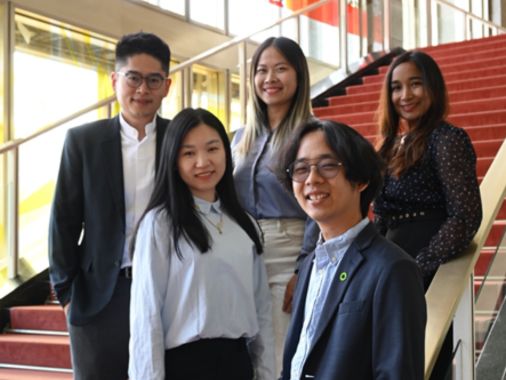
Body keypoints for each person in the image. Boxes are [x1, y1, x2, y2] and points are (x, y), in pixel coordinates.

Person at [48, 32, 172, 380]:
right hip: (101, 293)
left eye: (153, 80)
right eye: (133, 78)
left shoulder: (180, 139)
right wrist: (66, 293)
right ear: (116, 80)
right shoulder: (83, 141)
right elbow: (63, 221)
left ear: (167, 85)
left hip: (169, 291)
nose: (142, 90)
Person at [128, 108, 274, 380]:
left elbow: (262, 309)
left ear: (226, 153)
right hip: (185, 366)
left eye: (212, 149)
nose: (203, 162)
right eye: (188, 153)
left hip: (237, 363)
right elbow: (146, 316)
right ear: (173, 161)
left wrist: (266, 373)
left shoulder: (245, 225)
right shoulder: (160, 224)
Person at [276, 119, 426, 380]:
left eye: (328, 166)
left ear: (361, 180)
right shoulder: (310, 264)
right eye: (301, 169)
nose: (312, 179)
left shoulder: (393, 269)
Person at [373, 51, 482, 379]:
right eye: (396, 87)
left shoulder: (446, 139)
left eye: (415, 84)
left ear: (433, 87)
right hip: (390, 270)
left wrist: (420, 265)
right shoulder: (391, 144)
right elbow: (380, 216)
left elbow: (465, 216)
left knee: (426, 363)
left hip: (428, 271)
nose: (405, 95)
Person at [231, 36, 313, 373]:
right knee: (243, 351)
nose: (270, 78)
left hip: (287, 250)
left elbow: (320, 202)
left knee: (277, 355)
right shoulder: (239, 137)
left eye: (281, 69)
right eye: (262, 70)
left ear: (298, 75)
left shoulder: (312, 134)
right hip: (240, 253)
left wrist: (303, 267)